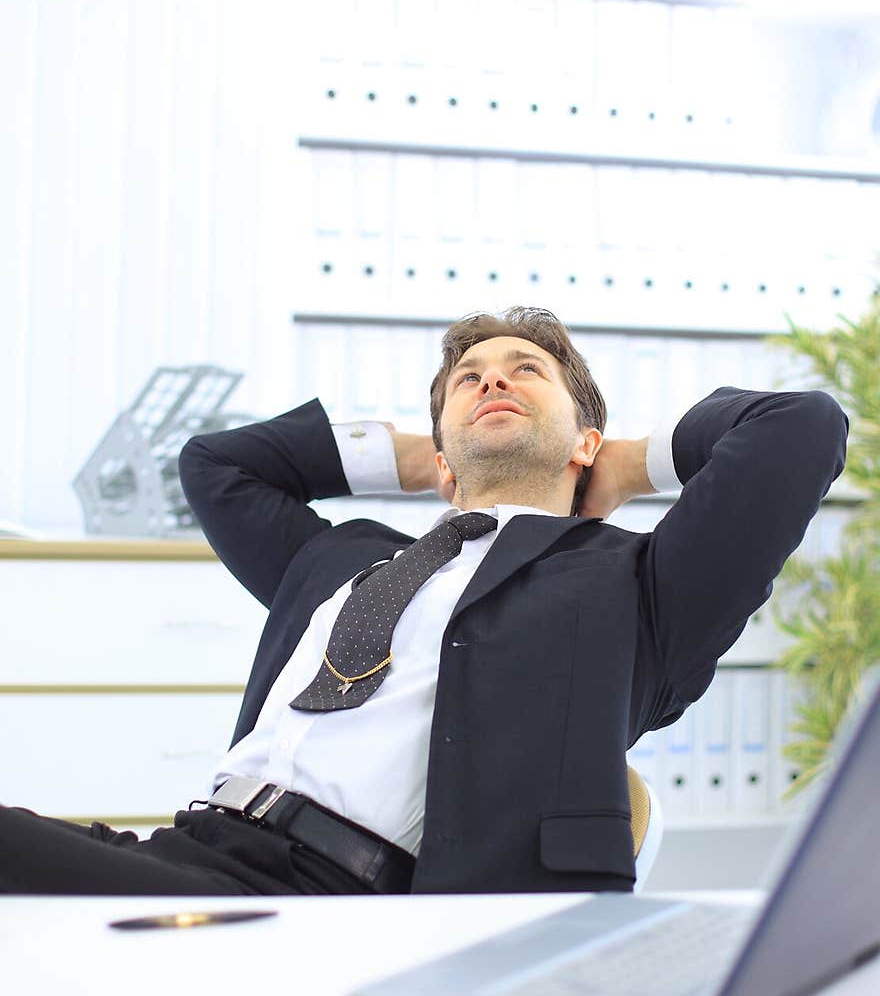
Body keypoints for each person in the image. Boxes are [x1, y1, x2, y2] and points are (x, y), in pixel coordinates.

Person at [0, 306, 849, 896]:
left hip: (341, 898)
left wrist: (624, 464)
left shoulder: (636, 587)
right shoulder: (342, 560)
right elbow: (214, 465)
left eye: (528, 372)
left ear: (586, 437)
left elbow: (800, 427)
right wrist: (429, 459)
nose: (493, 382)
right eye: (468, 379)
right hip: (189, 847)